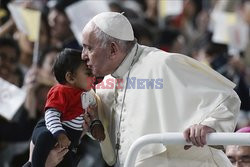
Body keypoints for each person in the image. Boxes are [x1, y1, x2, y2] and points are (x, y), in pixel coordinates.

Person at [81, 12, 241, 166]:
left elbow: (227, 97)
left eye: (89, 48)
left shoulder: (163, 65)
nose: (83, 55)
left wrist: (209, 125)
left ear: (113, 49)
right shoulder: (108, 82)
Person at [25, 48, 105, 167]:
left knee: (69, 160)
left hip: (68, 142)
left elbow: (89, 121)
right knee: (45, 137)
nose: (93, 78)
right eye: (88, 74)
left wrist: (95, 126)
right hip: (50, 130)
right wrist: (60, 134)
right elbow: (51, 115)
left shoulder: (89, 96)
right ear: (70, 77)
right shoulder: (60, 91)